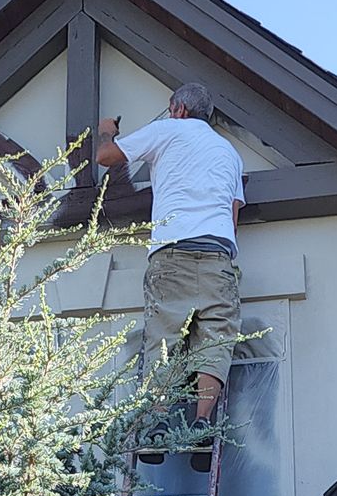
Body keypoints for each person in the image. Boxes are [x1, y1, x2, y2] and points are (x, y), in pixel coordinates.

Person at [95, 81, 243, 469]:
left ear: (178, 109)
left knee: (163, 338)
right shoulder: (229, 153)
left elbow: (106, 156)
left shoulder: (167, 131)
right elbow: (232, 217)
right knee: (216, 342)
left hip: (173, 250)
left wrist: (107, 129)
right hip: (218, 255)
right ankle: (202, 423)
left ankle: (158, 423)